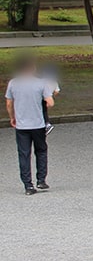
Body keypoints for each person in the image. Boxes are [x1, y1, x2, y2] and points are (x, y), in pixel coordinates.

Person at [5, 54, 54, 195]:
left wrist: (12, 117)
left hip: (21, 125)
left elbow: (9, 103)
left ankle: (28, 185)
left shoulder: (13, 83)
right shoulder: (41, 83)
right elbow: (50, 102)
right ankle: (41, 180)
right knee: (41, 151)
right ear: (32, 68)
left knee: (24, 154)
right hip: (38, 124)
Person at [40, 63, 60, 135]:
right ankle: (45, 123)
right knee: (44, 110)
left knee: (42, 110)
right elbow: (57, 91)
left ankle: (46, 124)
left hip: (41, 97)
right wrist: (52, 96)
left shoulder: (41, 81)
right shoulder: (54, 82)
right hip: (49, 97)